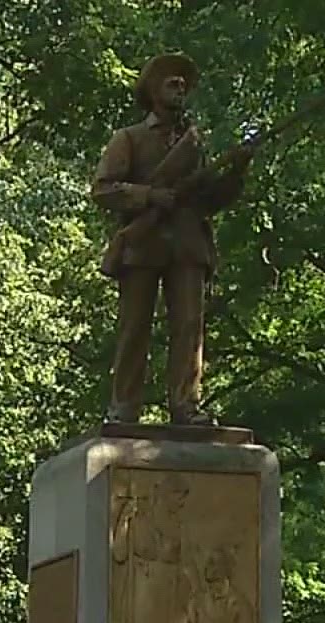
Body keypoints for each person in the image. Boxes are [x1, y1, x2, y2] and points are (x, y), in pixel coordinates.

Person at [92, 52, 253, 425]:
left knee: (189, 327)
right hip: (143, 243)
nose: (180, 89)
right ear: (153, 89)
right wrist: (149, 197)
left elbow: (210, 200)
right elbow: (103, 190)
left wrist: (237, 172)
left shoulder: (195, 144)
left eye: (184, 84)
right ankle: (124, 408)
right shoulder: (128, 139)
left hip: (187, 243)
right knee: (135, 329)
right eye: (172, 83)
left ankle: (186, 405)